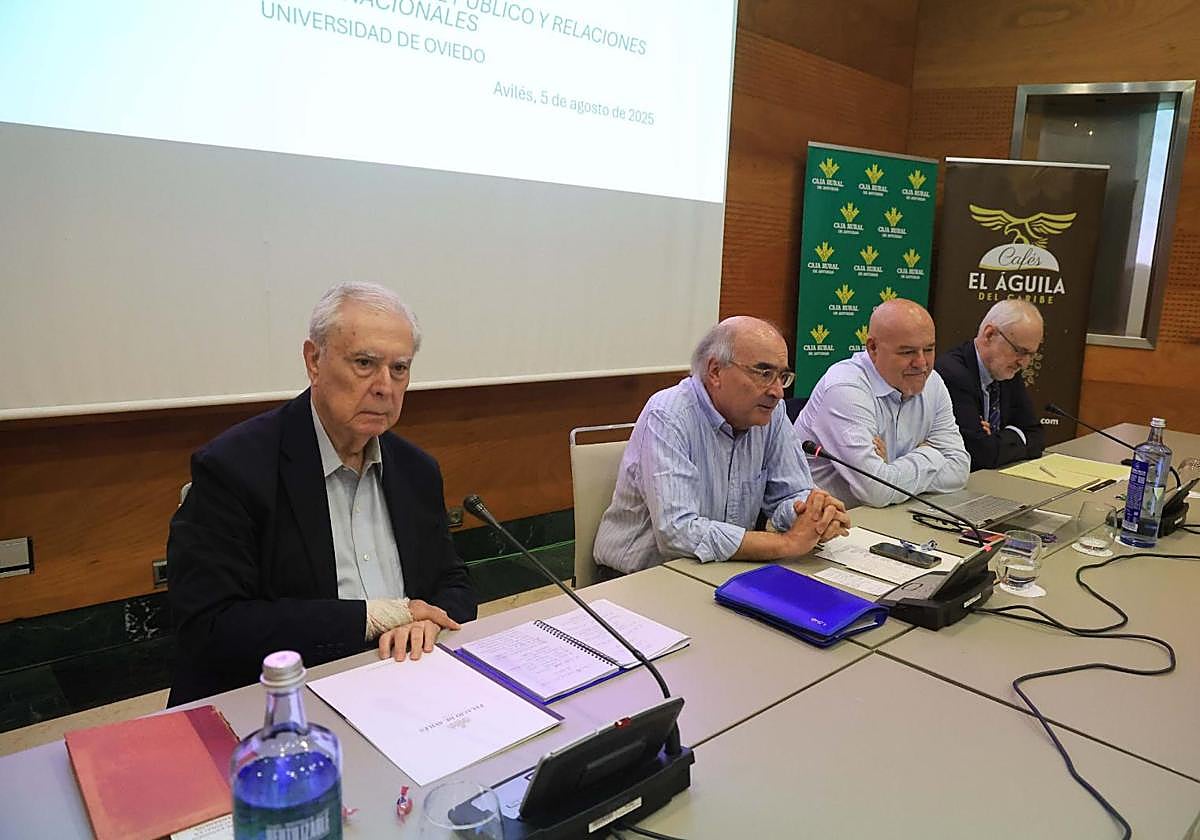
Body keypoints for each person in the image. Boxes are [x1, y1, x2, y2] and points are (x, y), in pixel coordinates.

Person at [167, 282, 475, 704]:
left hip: (404, 683)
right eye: (365, 363)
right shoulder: (234, 467)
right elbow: (212, 625)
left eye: (399, 369)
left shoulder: (416, 469)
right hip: (283, 699)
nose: (386, 386)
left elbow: (452, 582)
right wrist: (377, 618)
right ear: (314, 361)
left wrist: (428, 623)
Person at [594, 316, 850, 575]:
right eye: (764, 374)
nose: (778, 392)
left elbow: (789, 494)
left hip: (722, 567)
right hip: (641, 575)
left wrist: (813, 515)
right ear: (715, 371)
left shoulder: (771, 413)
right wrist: (786, 543)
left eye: (782, 376)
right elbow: (676, 532)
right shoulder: (669, 414)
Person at [794, 298, 969, 508]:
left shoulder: (932, 382)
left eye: (929, 349)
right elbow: (876, 491)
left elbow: (959, 469)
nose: (922, 363)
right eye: (908, 352)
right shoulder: (845, 387)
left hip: (888, 514)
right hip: (822, 523)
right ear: (873, 347)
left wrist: (891, 469)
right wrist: (931, 453)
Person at [935, 299, 1046, 470]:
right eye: (1020, 351)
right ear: (989, 335)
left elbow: (1036, 435)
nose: (1024, 363)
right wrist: (1014, 436)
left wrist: (996, 439)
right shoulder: (952, 374)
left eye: (1030, 355)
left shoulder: (1007, 371)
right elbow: (979, 454)